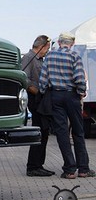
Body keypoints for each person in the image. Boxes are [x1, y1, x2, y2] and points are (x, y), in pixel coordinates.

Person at [39, 32, 95, 179]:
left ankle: (69, 169)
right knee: (78, 132)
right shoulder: (74, 56)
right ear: (73, 43)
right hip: (72, 96)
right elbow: (79, 78)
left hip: (56, 96)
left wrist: (44, 91)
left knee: (62, 133)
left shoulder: (49, 56)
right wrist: (81, 92)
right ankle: (83, 169)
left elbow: (43, 79)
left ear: (58, 42)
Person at [22, 35, 54, 176]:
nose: (47, 50)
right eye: (47, 47)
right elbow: (23, 76)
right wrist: (34, 89)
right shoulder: (29, 58)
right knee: (40, 131)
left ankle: (39, 164)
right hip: (35, 99)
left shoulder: (40, 60)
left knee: (44, 132)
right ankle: (33, 167)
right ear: (41, 46)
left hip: (41, 99)